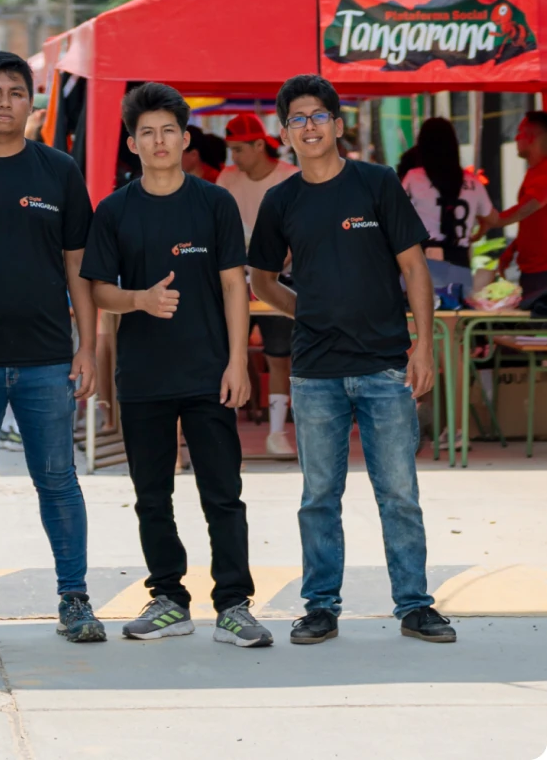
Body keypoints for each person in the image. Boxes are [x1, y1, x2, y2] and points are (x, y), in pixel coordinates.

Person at [249, 74, 454, 644]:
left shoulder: (377, 183)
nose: (309, 127)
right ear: (285, 133)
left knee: (399, 493)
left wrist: (423, 346)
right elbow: (262, 279)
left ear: (338, 125)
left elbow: (414, 268)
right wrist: (304, 311)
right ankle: (320, 606)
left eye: (318, 116)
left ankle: (414, 604)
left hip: (386, 366)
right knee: (319, 497)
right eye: (297, 119)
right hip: (315, 373)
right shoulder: (281, 200)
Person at [82, 83, 272, 649]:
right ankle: (169, 598)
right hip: (143, 379)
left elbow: (235, 287)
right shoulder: (115, 210)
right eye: (148, 132)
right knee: (150, 494)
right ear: (132, 142)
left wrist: (239, 361)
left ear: (185, 139)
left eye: (169, 131)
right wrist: (138, 299)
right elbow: (97, 290)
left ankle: (235, 604)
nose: (159, 140)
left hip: (209, 372)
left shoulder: (213, 203)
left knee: (223, 493)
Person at [0, 52, 104, 646]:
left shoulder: (57, 170)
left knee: (58, 479)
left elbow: (77, 266)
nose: (5, 101)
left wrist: (87, 348)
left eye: (16, 91)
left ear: (33, 103)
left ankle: (75, 599)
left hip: (45, 358)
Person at [217, 112, 300, 455]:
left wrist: (284, 257)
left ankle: (277, 432)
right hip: (234, 278)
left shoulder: (290, 178)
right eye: (231, 151)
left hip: (280, 278)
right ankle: (224, 434)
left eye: (239, 150)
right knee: (226, 354)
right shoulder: (227, 179)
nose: (234, 158)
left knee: (279, 357)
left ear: (258, 145)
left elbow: (302, 229)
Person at [401, 117, 491, 291]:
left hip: (422, 263)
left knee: (417, 317)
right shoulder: (473, 182)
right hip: (459, 262)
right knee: (456, 316)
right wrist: (479, 233)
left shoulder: (414, 178)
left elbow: (394, 214)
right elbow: (492, 218)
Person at [476, 111, 547, 304]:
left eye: (520, 132)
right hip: (533, 269)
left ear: (531, 137)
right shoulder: (534, 171)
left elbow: (529, 206)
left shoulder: (544, 171)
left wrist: (494, 220)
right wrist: (513, 248)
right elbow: (533, 219)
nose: (516, 137)